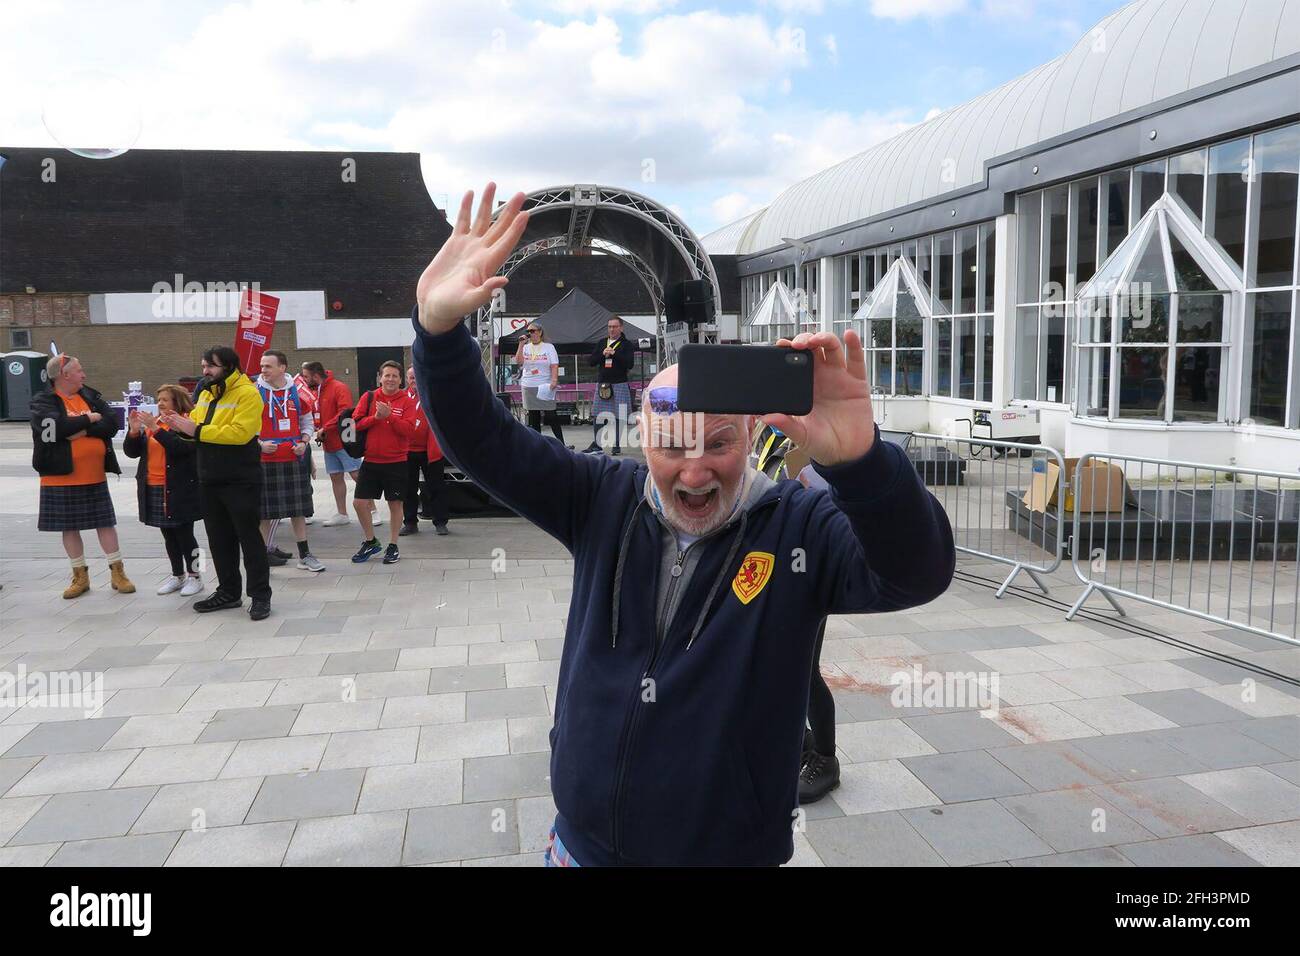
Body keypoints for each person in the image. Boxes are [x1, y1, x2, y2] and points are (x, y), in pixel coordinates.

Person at [411, 183, 955, 866]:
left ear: (754, 433)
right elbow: (481, 440)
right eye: (672, 447)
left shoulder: (801, 528)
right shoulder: (600, 499)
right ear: (641, 439)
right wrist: (437, 335)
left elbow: (916, 573)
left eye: (718, 444)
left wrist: (864, 463)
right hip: (581, 850)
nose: (694, 472)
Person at [162, 345, 271, 621]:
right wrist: (177, 427)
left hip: (240, 479)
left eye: (210, 366)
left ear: (229, 367)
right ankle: (229, 592)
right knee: (219, 540)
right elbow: (195, 431)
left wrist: (194, 430)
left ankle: (259, 595)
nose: (205, 372)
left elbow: (239, 434)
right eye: (203, 366)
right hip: (209, 478)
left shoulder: (248, 393)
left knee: (249, 539)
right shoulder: (206, 393)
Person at [30, 354, 135, 598]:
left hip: (94, 474)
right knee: (69, 527)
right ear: (64, 375)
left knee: (105, 523)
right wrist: (88, 418)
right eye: (79, 370)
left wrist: (80, 428)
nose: (84, 375)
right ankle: (80, 576)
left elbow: (111, 424)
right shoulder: (43, 400)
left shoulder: (89, 396)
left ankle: (118, 573)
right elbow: (53, 430)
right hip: (59, 475)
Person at [122, 385, 205, 597]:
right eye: (159, 399)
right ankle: (177, 575)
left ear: (177, 402)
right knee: (168, 534)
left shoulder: (183, 422)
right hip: (155, 486)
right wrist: (133, 431)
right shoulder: (155, 423)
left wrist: (156, 429)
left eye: (165, 400)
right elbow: (133, 453)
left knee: (186, 535)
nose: (160, 403)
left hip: (180, 488)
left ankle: (197, 576)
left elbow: (180, 448)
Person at [255, 351, 325, 573]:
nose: (263, 370)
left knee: (298, 510)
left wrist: (305, 442)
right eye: (262, 366)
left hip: (294, 458)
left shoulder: (297, 392)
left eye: (268, 366)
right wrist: (258, 444)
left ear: (282, 368)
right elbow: (243, 425)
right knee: (265, 513)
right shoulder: (253, 393)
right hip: (265, 460)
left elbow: (306, 421)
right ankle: (261, 556)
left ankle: (305, 555)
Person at [300, 361, 381, 529]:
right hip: (329, 440)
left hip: (344, 439)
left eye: (306, 376)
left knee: (356, 474)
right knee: (335, 476)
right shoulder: (320, 389)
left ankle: (372, 510)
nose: (304, 379)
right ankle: (342, 513)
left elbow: (344, 413)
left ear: (315, 376)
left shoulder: (338, 387)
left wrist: (325, 427)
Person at [350, 360, 415, 564]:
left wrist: (390, 418)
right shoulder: (369, 397)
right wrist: (376, 418)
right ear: (380, 378)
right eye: (387, 375)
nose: (390, 379)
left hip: (397, 462)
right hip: (371, 460)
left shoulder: (406, 401)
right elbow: (356, 424)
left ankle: (393, 545)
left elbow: (409, 430)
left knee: (395, 504)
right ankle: (371, 542)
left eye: (395, 376)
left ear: (400, 379)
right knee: (359, 503)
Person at [400, 365, 450, 536]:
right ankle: (410, 522)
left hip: (431, 451)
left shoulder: (433, 396)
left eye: (417, 377)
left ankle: (440, 522)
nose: (414, 381)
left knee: (436, 487)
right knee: (408, 489)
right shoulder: (401, 397)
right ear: (407, 379)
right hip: (407, 451)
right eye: (411, 378)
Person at [584, 315, 634, 456]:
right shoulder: (601, 342)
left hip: (620, 383)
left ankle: (616, 445)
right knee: (598, 415)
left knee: (620, 416)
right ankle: (597, 444)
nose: (612, 329)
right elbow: (591, 362)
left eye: (615, 326)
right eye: (610, 327)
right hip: (603, 384)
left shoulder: (626, 344)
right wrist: (602, 354)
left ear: (621, 328)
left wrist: (615, 354)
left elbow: (630, 364)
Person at [513, 323, 564, 445]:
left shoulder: (548, 347)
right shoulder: (525, 347)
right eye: (528, 331)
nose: (530, 333)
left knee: (551, 415)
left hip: (545, 385)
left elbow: (554, 365)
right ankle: (537, 445)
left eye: (533, 331)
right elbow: (519, 362)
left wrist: (554, 380)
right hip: (528, 384)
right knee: (533, 416)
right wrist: (520, 345)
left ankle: (561, 443)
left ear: (540, 332)